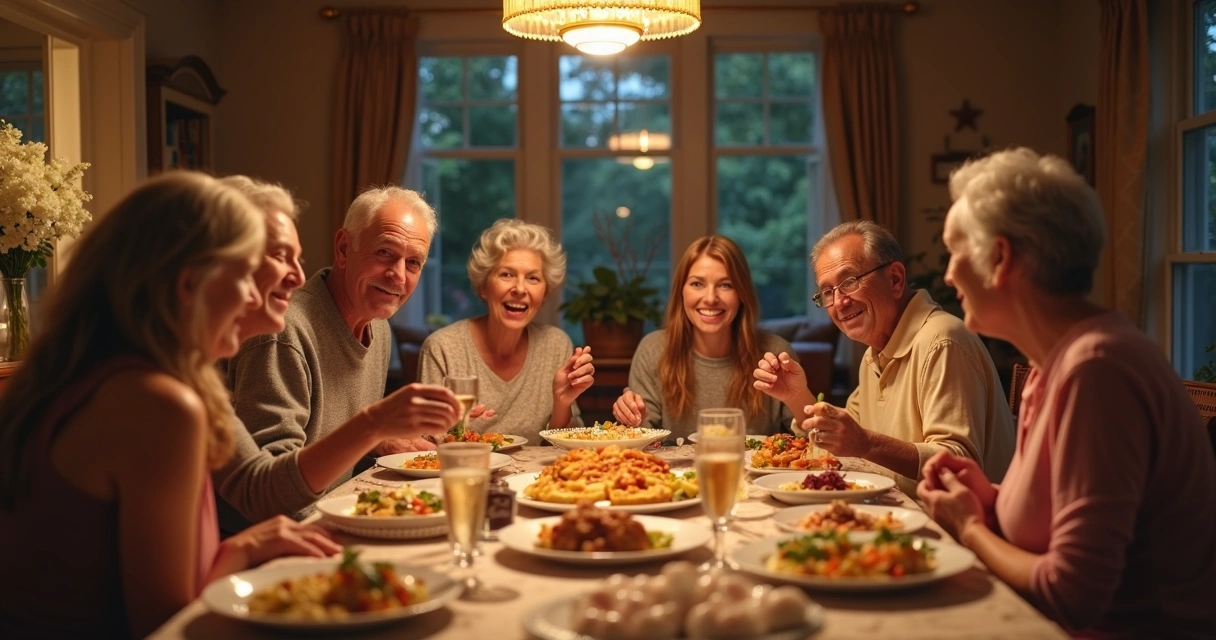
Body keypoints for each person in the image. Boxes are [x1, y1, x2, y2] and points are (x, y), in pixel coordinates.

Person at [0, 172, 343, 638]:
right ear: (188, 286)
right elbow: (163, 623)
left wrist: (242, 548)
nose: (251, 295)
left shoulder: (91, 371)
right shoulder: (160, 403)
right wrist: (239, 552)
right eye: (243, 274)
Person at [917, 148, 1216, 637]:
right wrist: (987, 500)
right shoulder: (1048, 365)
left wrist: (968, 528)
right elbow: (1059, 526)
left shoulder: (1097, 369)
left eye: (956, 249)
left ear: (1000, 256)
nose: (948, 274)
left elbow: (1073, 595)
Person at [214, 185, 461, 533]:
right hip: (280, 543)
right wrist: (372, 426)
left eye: (414, 262)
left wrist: (379, 440)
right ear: (344, 248)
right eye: (385, 252)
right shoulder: (281, 331)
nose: (398, 275)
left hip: (333, 517)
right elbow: (270, 495)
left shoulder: (379, 328)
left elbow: (331, 448)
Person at [758, 220, 1014, 496]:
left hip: (953, 530)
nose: (839, 302)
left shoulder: (943, 340)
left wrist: (866, 444)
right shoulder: (876, 352)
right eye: (828, 292)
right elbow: (842, 437)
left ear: (894, 279)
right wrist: (796, 395)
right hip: (896, 513)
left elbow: (958, 464)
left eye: (849, 281)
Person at [613, 235, 805, 440]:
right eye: (697, 284)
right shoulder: (652, 350)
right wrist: (631, 419)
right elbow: (642, 442)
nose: (711, 298)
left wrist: (799, 398)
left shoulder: (775, 353)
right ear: (681, 292)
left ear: (742, 294)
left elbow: (815, 438)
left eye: (725, 285)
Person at [418, 219, 594, 441]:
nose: (520, 289)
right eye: (507, 274)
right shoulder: (444, 348)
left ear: (545, 293)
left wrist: (561, 401)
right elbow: (425, 442)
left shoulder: (556, 345)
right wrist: (454, 426)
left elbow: (566, 447)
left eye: (533, 278)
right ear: (483, 286)